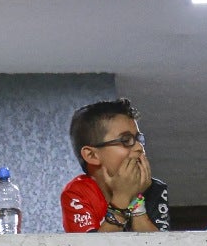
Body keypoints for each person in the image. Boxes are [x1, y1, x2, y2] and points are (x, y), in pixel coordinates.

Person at [61, 98, 170, 232]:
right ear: (91, 155)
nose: (139, 147)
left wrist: (136, 200)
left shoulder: (153, 188)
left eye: (138, 139)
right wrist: (122, 197)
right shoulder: (77, 193)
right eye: (126, 140)